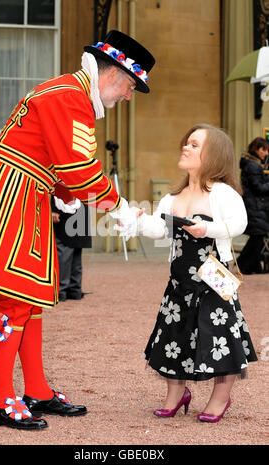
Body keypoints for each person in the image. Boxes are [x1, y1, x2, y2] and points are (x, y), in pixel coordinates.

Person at [0, 30, 155, 430]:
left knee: (31, 298)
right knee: (17, 301)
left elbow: (51, 158)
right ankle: (1, 400)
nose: (127, 95)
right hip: (13, 199)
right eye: (129, 85)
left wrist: (65, 191)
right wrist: (121, 209)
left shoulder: (71, 91)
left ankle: (35, 389)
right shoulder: (71, 96)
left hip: (24, 194)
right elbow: (80, 169)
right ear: (112, 72)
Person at [121, 123, 258, 423]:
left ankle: (220, 398)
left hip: (215, 277)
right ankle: (176, 395)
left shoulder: (223, 193)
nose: (186, 146)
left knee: (222, 337)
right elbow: (160, 229)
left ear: (213, 155)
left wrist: (208, 228)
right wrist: (139, 222)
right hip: (179, 281)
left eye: (194, 144)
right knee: (174, 336)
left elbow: (240, 223)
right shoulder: (173, 197)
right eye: (187, 142)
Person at [237, 137, 269, 274]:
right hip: (255, 206)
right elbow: (259, 188)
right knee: (257, 236)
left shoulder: (251, 164)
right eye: (264, 150)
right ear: (256, 149)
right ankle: (243, 264)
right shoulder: (253, 166)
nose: (266, 153)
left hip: (254, 206)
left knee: (258, 236)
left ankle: (253, 266)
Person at [51, 196, 92, 301]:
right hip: (79, 205)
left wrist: (54, 209)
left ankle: (62, 290)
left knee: (64, 251)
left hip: (66, 207)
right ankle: (74, 289)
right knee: (74, 251)